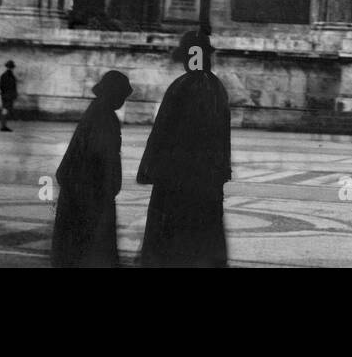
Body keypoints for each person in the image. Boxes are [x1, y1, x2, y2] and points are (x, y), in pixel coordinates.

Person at [137, 30, 232, 267]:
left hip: (177, 179)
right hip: (206, 179)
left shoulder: (182, 86)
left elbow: (162, 133)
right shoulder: (216, 88)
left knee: (172, 240)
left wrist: (150, 169)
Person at [51, 70, 132, 267]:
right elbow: (106, 158)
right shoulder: (105, 117)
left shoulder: (96, 110)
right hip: (91, 194)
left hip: (80, 189)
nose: (122, 101)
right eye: (121, 96)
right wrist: (110, 186)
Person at [0, 60, 18, 132]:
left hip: (6, 96)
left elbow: (1, 86)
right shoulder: (9, 76)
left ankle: (3, 125)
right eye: (10, 67)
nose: (11, 68)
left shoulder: (4, 75)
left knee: (5, 110)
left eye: (11, 67)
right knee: (5, 110)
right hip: (7, 96)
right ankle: (3, 126)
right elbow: (3, 87)